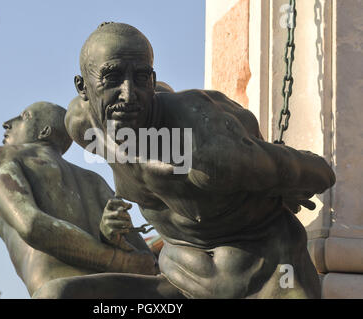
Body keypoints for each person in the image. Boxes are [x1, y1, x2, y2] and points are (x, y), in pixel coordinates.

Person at [64, 22, 336, 298]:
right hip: (183, 279)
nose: (129, 94)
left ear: (153, 82)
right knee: (58, 294)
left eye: (141, 78)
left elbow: (320, 172)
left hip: (267, 274)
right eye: (112, 78)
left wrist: (279, 178)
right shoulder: (84, 126)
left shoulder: (206, 146)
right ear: (82, 87)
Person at [0, 101, 158, 298]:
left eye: (24, 116)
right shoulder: (94, 181)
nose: (8, 123)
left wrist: (115, 259)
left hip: (60, 290)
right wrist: (114, 250)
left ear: (45, 131)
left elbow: (32, 225)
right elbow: (147, 264)